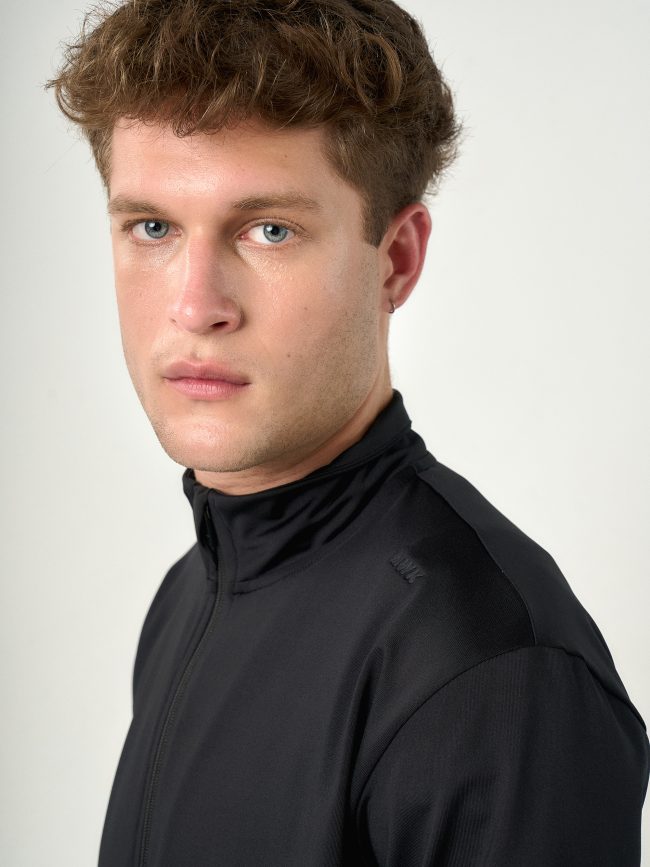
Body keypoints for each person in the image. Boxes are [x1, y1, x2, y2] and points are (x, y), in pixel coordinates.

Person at [48, 0, 649, 864]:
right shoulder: (190, 592)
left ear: (396, 259)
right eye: (153, 227)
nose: (194, 306)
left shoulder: (494, 672)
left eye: (270, 230)